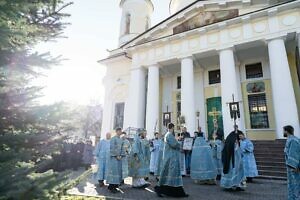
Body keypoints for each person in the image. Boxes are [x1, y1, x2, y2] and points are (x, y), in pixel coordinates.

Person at [154, 123, 189, 198]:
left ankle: (175, 192)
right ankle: (160, 189)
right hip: (171, 158)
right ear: (172, 127)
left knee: (169, 175)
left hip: (171, 157)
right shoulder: (169, 135)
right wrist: (179, 142)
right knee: (172, 174)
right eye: (173, 128)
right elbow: (174, 144)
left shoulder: (168, 135)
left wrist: (176, 140)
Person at [220, 125, 245, 191]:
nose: (241, 137)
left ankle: (238, 185)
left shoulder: (241, 140)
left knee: (239, 172)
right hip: (231, 160)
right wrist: (235, 143)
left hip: (239, 160)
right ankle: (229, 185)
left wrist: (240, 142)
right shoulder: (231, 136)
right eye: (240, 137)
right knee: (231, 172)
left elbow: (243, 148)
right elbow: (229, 146)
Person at [283, 125, 300, 200]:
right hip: (290, 166)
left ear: (286, 131)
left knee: (296, 184)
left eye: (283, 130)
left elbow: (294, 154)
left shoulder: (293, 140)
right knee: (292, 184)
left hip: (293, 167)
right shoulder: (290, 139)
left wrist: (294, 166)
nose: (283, 132)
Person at [106, 128, 124, 193]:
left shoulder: (121, 139)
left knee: (118, 172)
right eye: (119, 131)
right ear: (116, 131)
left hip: (119, 158)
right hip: (113, 158)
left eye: (121, 131)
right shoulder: (113, 139)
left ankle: (115, 186)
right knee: (114, 172)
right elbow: (112, 148)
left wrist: (121, 155)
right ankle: (111, 187)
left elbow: (122, 148)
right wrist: (116, 156)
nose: (120, 132)